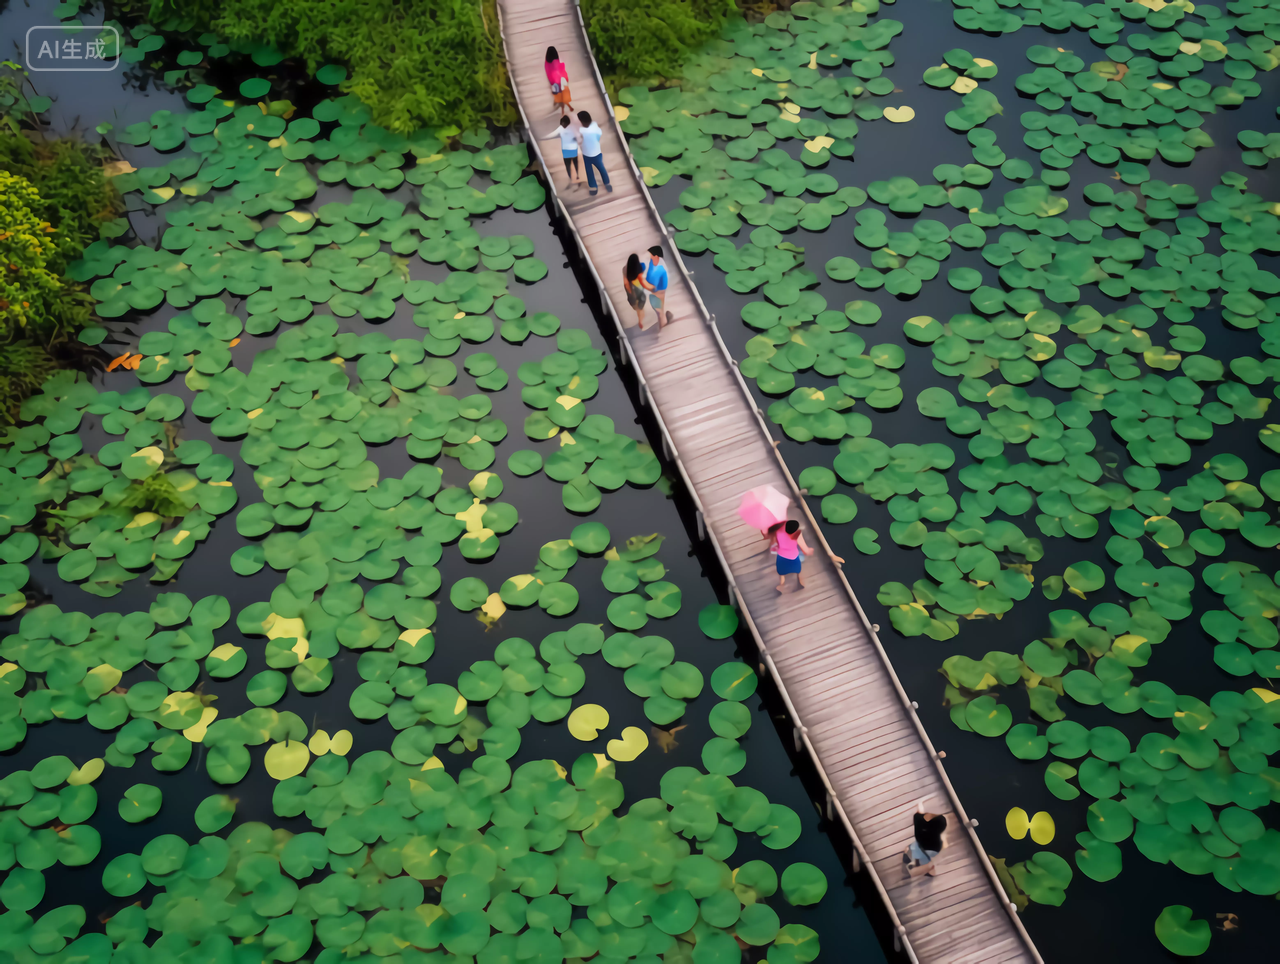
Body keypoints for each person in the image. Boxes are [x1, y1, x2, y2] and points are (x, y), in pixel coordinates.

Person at [765, 519, 814, 591]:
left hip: (781, 556)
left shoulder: (778, 531)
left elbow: (774, 542)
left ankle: (782, 584)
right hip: (794, 556)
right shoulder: (797, 534)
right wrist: (810, 551)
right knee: (797, 570)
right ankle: (799, 580)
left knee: (781, 572)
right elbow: (805, 549)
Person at [902, 799, 947, 878]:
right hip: (935, 849)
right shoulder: (937, 831)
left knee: (908, 850)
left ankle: (928, 866)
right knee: (923, 854)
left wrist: (919, 803)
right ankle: (930, 870)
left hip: (922, 847)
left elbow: (920, 813)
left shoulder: (920, 824)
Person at [576, 111, 611, 196]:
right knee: (601, 169)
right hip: (595, 153)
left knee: (590, 171)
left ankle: (594, 186)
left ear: (581, 122)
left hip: (589, 154)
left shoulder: (581, 130)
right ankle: (607, 183)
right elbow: (599, 135)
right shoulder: (594, 125)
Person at [544, 115, 582, 186]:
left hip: (570, 150)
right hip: (569, 150)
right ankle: (573, 178)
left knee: (571, 164)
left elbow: (579, 138)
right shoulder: (564, 128)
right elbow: (552, 135)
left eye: (563, 123)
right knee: (571, 164)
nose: (562, 125)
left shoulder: (566, 128)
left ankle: (575, 177)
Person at [645, 245, 672, 328]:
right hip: (660, 291)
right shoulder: (658, 263)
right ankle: (666, 320)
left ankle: (663, 330)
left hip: (656, 292)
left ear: (655, 256)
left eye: (650, 254)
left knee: (659, 313)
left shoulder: (657, 266)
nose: (649, 256)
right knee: (660, 311)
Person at [623, 253, 652, 328]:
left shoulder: (625, 269)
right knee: (641, 307)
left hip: (632, 291)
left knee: (637, 308)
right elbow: (642, 280)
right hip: (639, 289)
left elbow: (626, 283)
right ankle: (640, 321)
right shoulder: (640, 268)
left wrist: (630, 293)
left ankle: (640, 318)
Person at [545, 46, 572, 116]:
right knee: (564, 93)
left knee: (557, 93)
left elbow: (548, 72)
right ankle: (564, 109)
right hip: (561, 80)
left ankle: (559, 104)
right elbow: (563, 68)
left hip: (554, 82)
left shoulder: (547, 63)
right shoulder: (559, 61)